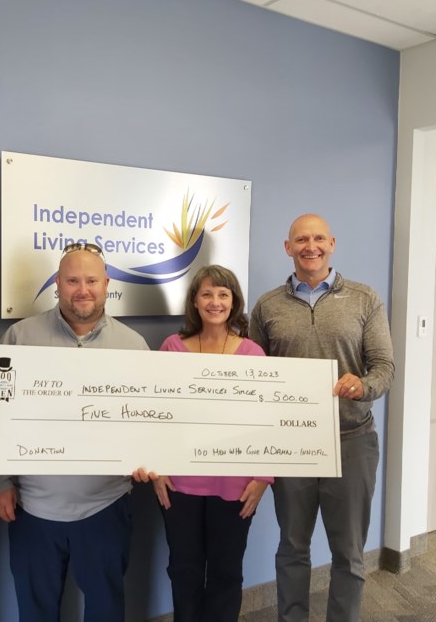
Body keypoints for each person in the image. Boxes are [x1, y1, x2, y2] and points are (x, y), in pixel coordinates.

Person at [0, 241, 150, 622]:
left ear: (107, 284)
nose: (82, 290)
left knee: (106, 610)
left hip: (105, 507)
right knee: (36, 612)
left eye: (91, 280)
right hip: (32, 509)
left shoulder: (134, 346)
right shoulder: (20, 338)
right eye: (72, 280)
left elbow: (145, 424)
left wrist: (148, 459)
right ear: (57, 283)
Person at [248, 213, 394, 622]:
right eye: (300, 239)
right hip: (292, 445)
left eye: (317, 239)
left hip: (351, 441)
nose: (309, 246)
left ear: (332, 243)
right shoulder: (268, 305)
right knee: (292, 547)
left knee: (348, 552)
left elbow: (384, 367)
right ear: (287, 247)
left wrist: (361, 386)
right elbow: (255, 374)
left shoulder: (365, 299)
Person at [150, 264, 273, 622]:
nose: (215, 301)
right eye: (206, 293)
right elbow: (155, 415)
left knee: (226, 572)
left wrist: (264, 476)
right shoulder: (172, 349)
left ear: (234, 302)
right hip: (180, 484)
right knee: (184, 570)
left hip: (235, 484)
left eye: (223, 294)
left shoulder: (252, 353)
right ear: (195, 301)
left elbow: (267, 421)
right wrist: (156, 469)